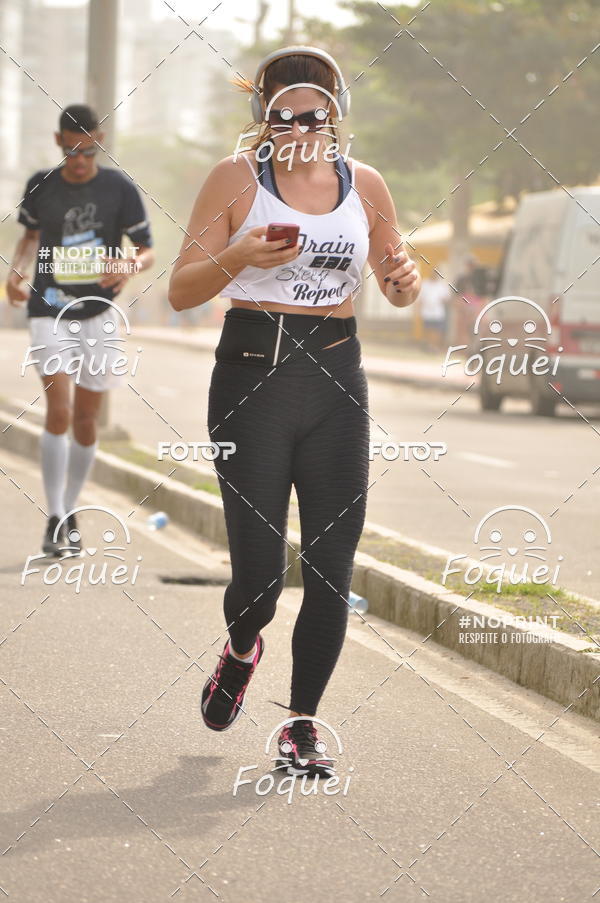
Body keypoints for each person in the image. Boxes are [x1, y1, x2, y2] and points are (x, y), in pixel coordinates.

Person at [168, 46, 421, 775]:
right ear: (263, 119)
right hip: (253, 375)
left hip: (339, 375)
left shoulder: (365, 184)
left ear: (336, 115)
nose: (301, 126)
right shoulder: (233, 179)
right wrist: (240, 252)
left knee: (332, 565)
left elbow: (395, 281)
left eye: (316, 113)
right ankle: (242, 647)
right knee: (260, 579)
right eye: (284, 115)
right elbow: (182, 290)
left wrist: (401, 282)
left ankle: (301, 726)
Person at [5, 103, 154, 556]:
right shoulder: (40, 186)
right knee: (59, 410)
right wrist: (15, 272)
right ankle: (55, 516)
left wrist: (128, 264)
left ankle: (71, 509)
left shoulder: (119, 189)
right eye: (72, 151)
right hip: (48, 306)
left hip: (100, 312)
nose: (79, 160)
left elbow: (146, 250)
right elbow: (29, 238)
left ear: (99, 142)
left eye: (87, 151)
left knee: (87, 417)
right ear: (58, 144)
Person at [418, 270, 450, 350]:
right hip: (427, 311)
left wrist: (442, 300)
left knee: (437, 330)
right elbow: (420, 298)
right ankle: (428, 345)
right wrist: (418, 310)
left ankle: (435, 346)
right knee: (427, 329)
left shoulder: (442, 285)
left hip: (438, 312)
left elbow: (447, 298)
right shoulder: (425, 284)